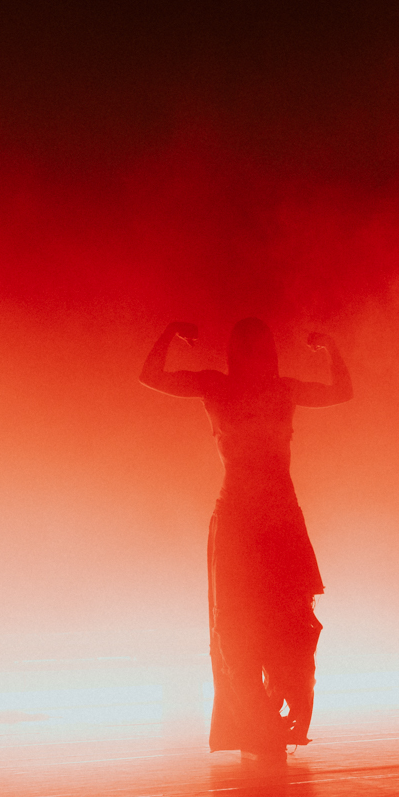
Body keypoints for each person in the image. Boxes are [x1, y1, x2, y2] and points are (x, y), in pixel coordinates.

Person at [141, 318, 351, 760]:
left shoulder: (282, 391)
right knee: (238, 630)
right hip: (239, 519)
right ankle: (253, 725)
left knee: (287, 628)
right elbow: (151, 377)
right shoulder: (217, 388)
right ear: (239, 355)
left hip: (278, 519)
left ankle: (272, 721)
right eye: (249, 350)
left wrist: (331, 345)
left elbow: (340, 392)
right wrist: (171, 334)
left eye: (262, 350)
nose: (257, 359)